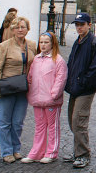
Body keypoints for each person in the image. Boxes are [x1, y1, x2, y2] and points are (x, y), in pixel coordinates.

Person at [0, 17, 37, 163]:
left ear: (27, 29)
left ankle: (16, 149)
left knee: (18, 122)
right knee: (5, 122)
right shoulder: (4, 46)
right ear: (12, 29)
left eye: (23, 27)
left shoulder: (32, 45)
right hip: (7, 87)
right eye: (17, 27)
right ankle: (6, 151)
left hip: (23, 88)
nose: (20, 30)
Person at [63, 13, 96, 168]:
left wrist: (83, 82)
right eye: (77, 24)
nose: (79, 27)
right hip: (76, 86)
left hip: (85, 88)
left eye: (82, 24)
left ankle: (83, 154)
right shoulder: (79, 41)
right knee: (72, 120)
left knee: (78, 120)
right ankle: (78, 151)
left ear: (89, 24)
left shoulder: (94, 43)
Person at [21, 32, 68, 164]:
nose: (43, 45)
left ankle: (51, 152)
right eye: (41, 42)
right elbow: (30, 77)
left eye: (46, 42)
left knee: (52, 126)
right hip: (37, 99)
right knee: (40, 126)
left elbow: (61, 79)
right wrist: (30, 92)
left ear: (52, 43)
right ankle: (36, 152)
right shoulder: (36, 59)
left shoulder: (58, 60)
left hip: (51, 101)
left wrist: (54, 95)